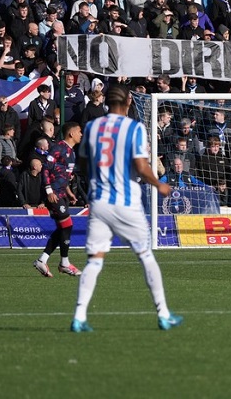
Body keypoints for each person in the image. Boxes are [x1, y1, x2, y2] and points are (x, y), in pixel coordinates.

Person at [71, 85, 182, 332]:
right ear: (129, 101)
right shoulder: (134, 128)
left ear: (106, 102)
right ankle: (163, 313)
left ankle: (79, 316)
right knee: (145, 255)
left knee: (94, 260)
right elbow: (141, 166)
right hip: (126, 201)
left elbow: (83, 161)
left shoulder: (92, 127)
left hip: (99, 200)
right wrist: (159, 185)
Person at [35, 123, 84, 277]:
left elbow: (64, 176)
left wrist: (69, 192)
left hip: (61, 194)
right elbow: (46, 168)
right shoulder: (58, 148)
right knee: (67, 225)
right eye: (79, 131)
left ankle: (42, 260)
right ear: (71, 133)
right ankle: (64, 263)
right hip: (53, 194)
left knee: (63, 228)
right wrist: (49, 190)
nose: (81, 134)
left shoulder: (72, 153)